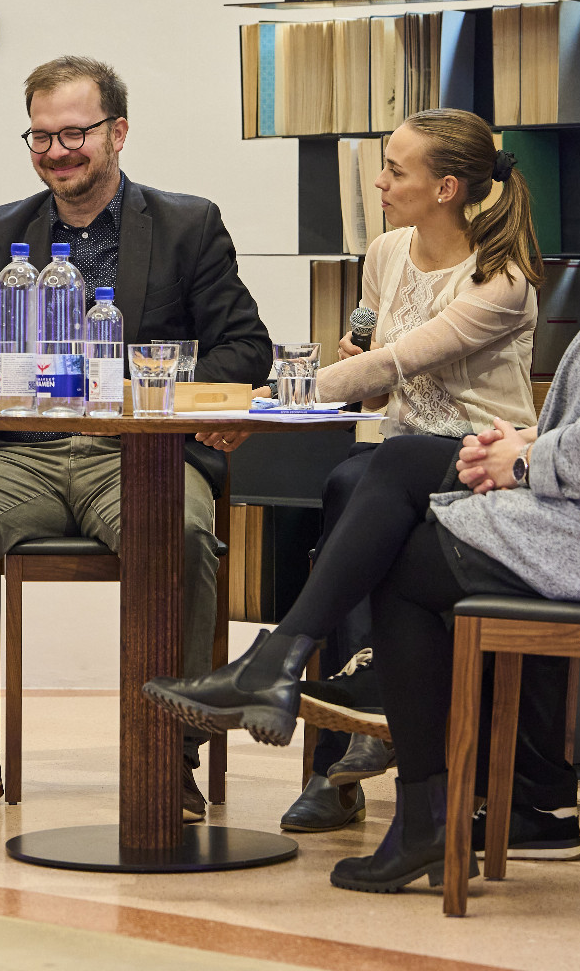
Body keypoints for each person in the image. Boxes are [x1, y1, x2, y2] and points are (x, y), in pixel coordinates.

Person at [145, 61, 580, 892]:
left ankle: (402, 792)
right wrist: (526, 440)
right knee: (402, 464)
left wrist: (525, 458)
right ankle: (296, 679)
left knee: (406, 560)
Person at [0, 55, 271, 820]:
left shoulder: (185, 223)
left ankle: (173, 748)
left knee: (186, 534)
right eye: (40, 138)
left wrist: (159, 392)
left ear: (118, 132)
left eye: (75, 133)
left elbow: (244, 348)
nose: (57, 152)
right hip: (23, 456)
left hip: (140, 454)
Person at [198, 109, 542, 833]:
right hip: (398, 455)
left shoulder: (501, 280)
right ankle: (350, 724)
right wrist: (316, 390)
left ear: (447, 187)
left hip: (480, 466)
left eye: (395, 169)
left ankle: (338, 736)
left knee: (355, 485)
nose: (379, 181)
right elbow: (376, 381)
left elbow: (397, 361)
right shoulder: (385, 252)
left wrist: (259, 398)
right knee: (350, 482)